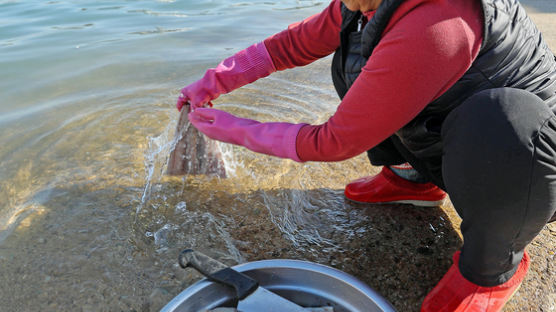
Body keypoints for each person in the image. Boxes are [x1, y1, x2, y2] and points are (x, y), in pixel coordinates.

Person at [176, 0, 556, 310]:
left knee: (504, 120)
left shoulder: (440, 21)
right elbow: (290, 46)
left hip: (526, 170)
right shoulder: (364, 4)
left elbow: (334, 141)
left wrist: (230, 128)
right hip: (455, 136)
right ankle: (413, 178)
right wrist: (215, 80)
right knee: (356, 57)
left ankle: (493, 268)